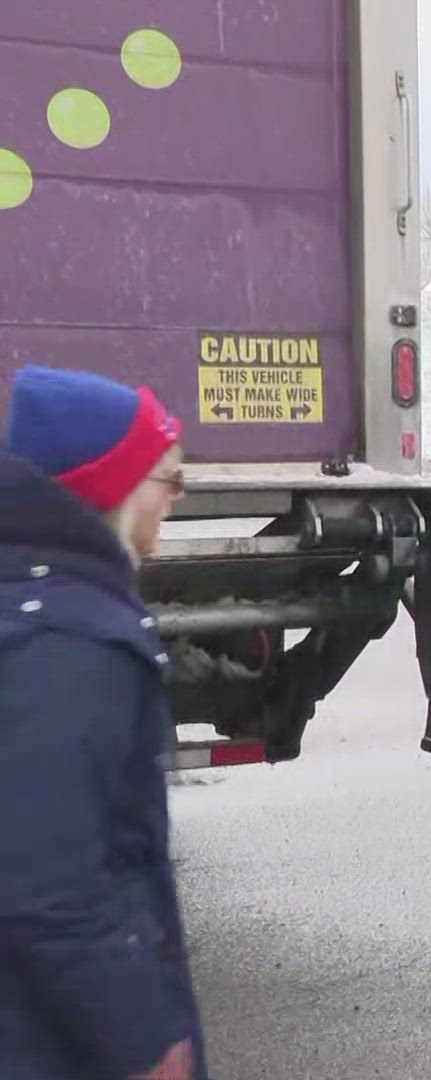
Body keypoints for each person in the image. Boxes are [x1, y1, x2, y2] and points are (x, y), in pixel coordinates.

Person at [0, 366, 202, 1080]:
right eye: (166, 478)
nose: (174, 500)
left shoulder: (35, 601)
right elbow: (47, 881)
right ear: (109, 485)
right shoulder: (68, 639)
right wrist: (144, 1041)